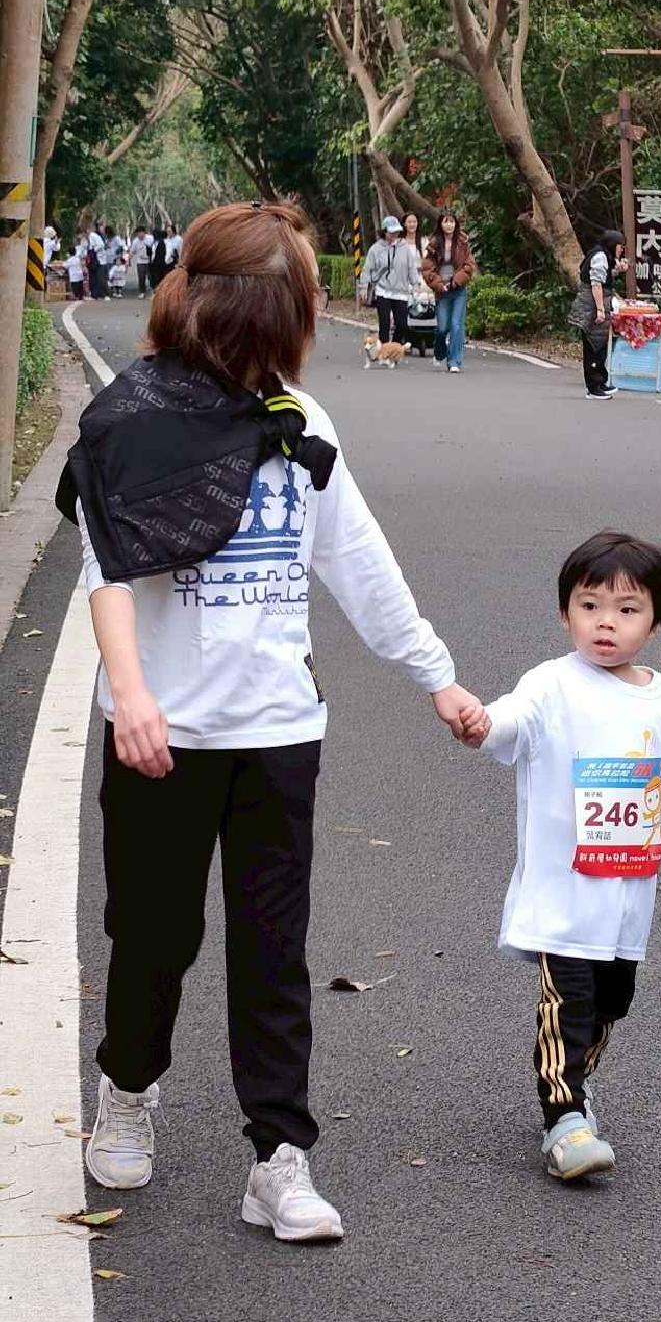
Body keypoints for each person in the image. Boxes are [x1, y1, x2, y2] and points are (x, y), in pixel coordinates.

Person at [69, 200, 484, 1240]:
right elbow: (105, 570)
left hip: (277, 731)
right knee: (152, 937)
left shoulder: (302, 424)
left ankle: (279, 1157)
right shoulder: (137, 418)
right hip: (161, 735)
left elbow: (359, 562)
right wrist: (131, 698)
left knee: (272, 946)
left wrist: (434, 673)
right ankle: (129, 1090)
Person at [459, 532, 661, 1181]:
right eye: (590, 604)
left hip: (625, 897)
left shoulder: (659, 697)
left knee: (611, 1002)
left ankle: (575, 1083)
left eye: (627, 608)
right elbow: (513, 719)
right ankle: (564, 1118)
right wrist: (483, 723)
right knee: (566, 1000)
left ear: (656, 621)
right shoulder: (551, 683)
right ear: (564, 614)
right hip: (563, 893)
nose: (606, 620)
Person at [572, 229, 627, 400]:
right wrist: (600, 309)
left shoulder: (603, 256)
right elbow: (596, 284)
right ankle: (593, 387)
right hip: (592, 306)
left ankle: (601, 381)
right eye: (620, 246)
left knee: (600, 344)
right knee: (593, 346)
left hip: (598, 304)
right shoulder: (600, 257)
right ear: (612, 244)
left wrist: (617, 270)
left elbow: (604, 278)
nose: (621, 250)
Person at [422, 210, 476, 372]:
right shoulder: (434, 243)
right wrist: (439, 284)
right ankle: (439, 349)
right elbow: (427, 268)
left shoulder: (462, 242)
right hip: (441, 290)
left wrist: (455, 281)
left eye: (452, 221)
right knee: (443, 327)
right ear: (440, 223)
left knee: (456, 325)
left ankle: (454, 362)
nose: (449, 224)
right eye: (446, 221)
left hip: (458, 289)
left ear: (456, 224)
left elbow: (469, 266)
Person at [360, 214, 421, 357]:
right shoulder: (376, 249)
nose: (394, 234)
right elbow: (368, 268)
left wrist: (415, 284)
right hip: (383, 291)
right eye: (391, 232)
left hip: (401, 292)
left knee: (402, 325)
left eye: (396, 232)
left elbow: (411, 267)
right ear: (384, 231)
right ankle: (384, 352)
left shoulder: (404, 248)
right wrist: (364, 286)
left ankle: (393, 347)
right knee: (385, 324)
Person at [87, 222, 108, 300]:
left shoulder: (93, 235)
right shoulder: (92, 236)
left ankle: (104, 294)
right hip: (95, 259)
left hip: (98, 259)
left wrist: (93, 250)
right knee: (94, 278)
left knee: (99, 278)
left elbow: (101, 245)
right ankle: (95, 294)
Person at [130, 225, 152, 296]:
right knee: (141, 277)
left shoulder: (150, 238)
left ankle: (152, 291)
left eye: (141, 233)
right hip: (140, 261)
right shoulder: (135, 241)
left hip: (150, 261)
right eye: (138, 234)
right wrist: (128, 260)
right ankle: (142, 292)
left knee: (151, 277)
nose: (139, 235)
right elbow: (132, 251)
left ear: (144, 233)